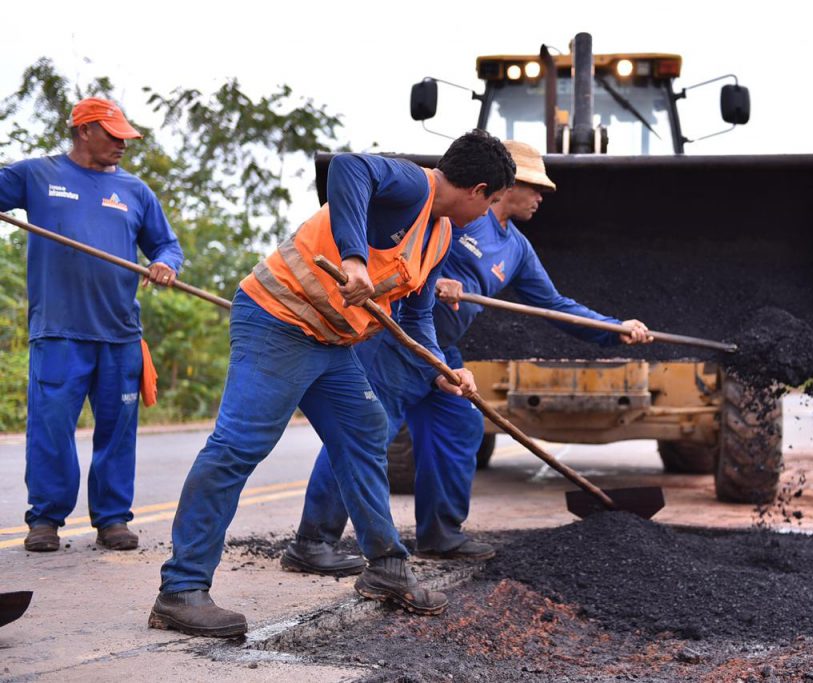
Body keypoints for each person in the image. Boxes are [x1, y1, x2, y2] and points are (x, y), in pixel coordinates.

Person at [149, 130, 515, 637]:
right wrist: (354, 258)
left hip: (329, 344)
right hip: (277, 322)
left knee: (366, 430)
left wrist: (442, 369)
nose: (488, 214)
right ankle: (181, 590)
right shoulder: (412, 186)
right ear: (477, 190)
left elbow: (418, 313)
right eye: (492, 201)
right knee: (238, 446)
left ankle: (387, 567)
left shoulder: (440, 234)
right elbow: (347, 167)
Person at [286, 140, 651, 573]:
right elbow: (406, 242)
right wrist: (435, 277)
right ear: (502, 186)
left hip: (441, 350)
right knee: (365, 436)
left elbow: (554, 304)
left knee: (459, 423)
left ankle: (440, 534)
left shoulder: (515, 248)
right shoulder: (456, 214)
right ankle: (313, 541)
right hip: (395, 340)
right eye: (536, 188)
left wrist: (614, 330)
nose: (540, 198)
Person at [0, 97, 183, 553]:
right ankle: (45, 520)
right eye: (114, 134)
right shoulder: (37, 175)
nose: (123, 144)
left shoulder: (136, 191)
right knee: (51, 428)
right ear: (84, 130)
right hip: (59, 331)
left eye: (125, 136)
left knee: (118, 432)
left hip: (119, 333)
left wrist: (163, 264)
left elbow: (167, 246)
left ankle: (112, 519)